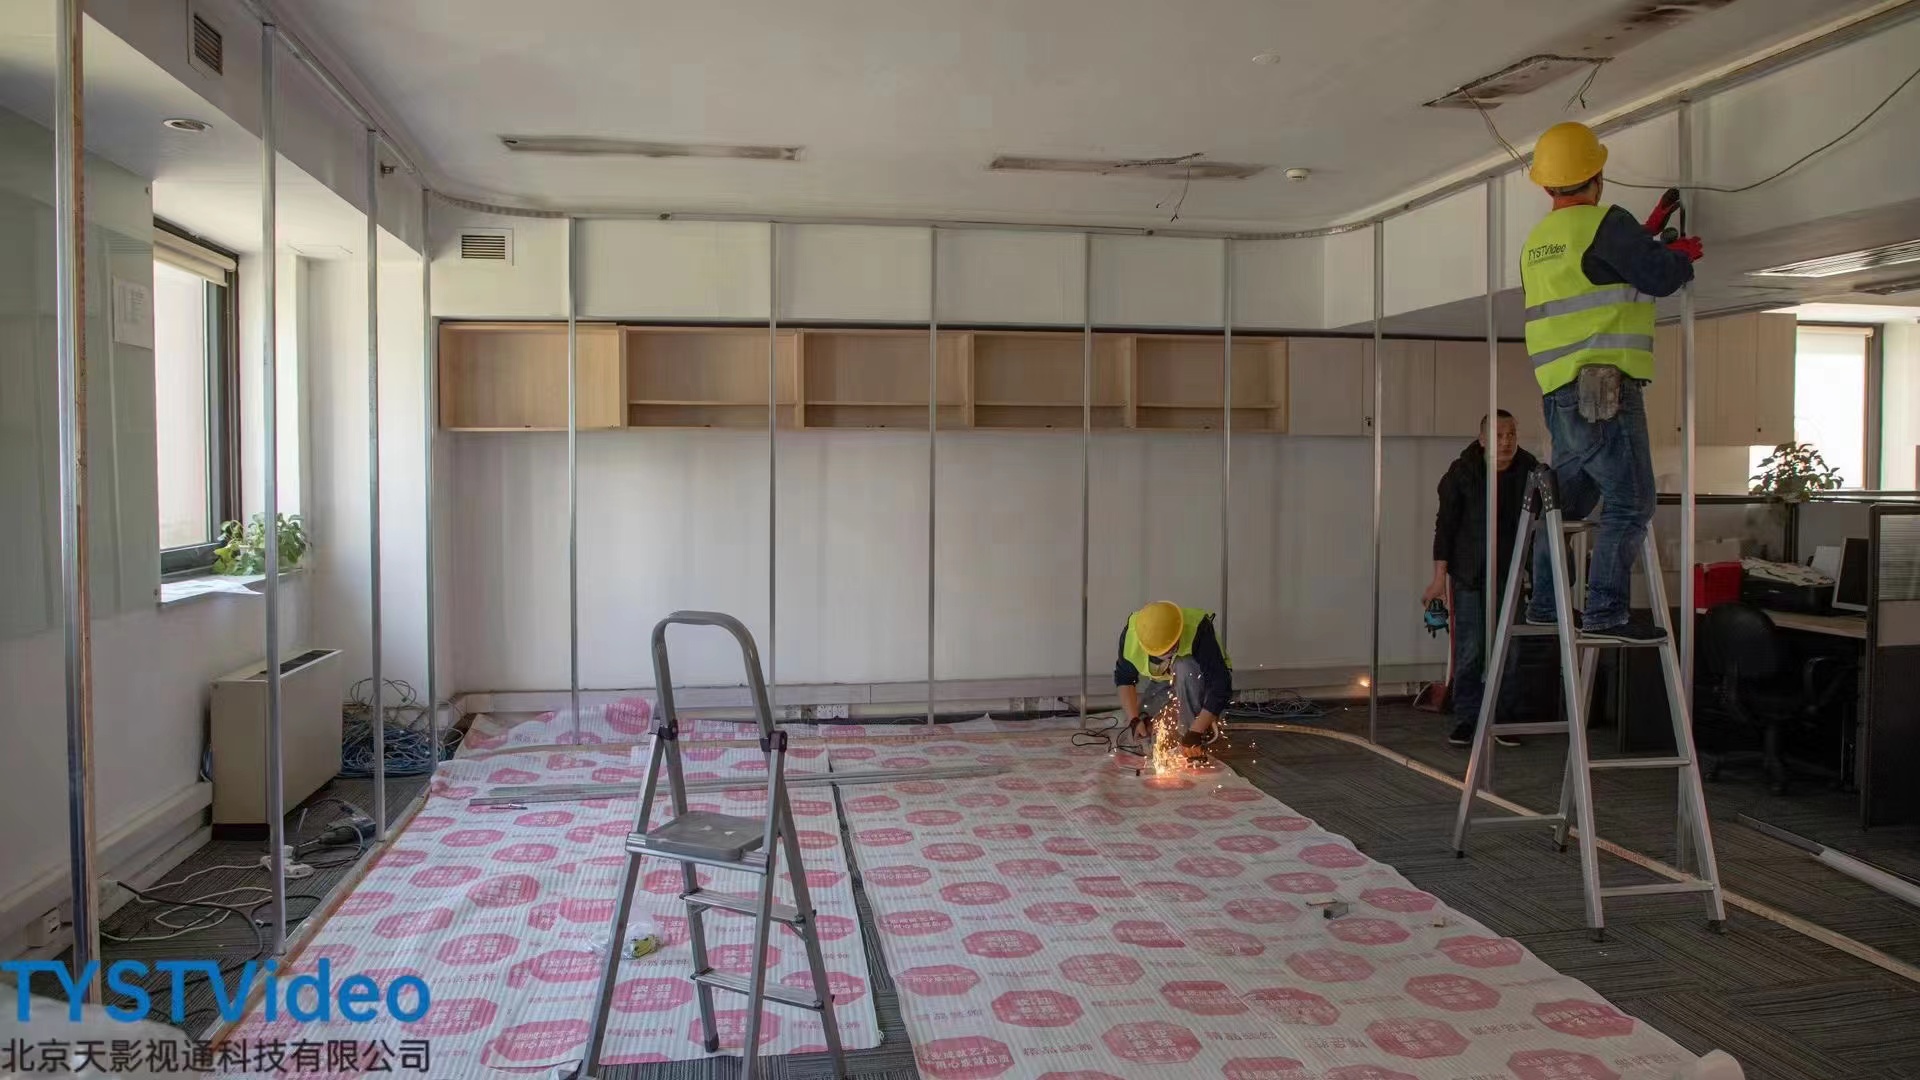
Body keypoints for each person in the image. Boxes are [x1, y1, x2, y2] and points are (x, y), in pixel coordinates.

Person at [1519, 122, 1701, 643]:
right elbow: (1658, 277)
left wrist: (1646, 235)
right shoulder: (1607, 224)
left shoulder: (1537, 243)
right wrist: (1679, 256)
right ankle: (1605, 613)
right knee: (1633, 502)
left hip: (1560, 396)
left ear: (1546, 184)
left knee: (1566, 507)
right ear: (1597, 175)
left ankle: (1546, 605)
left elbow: (1600, 268)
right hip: (1605, 393)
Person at [1424, 411, 1539, 748]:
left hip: (1511, 572)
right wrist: (1438, 578)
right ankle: (1468, 719)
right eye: (1498, 435)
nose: (1506, 442)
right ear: (1483, 439)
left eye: (1511, 434)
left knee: (1511, 649)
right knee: (1470, 649)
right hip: (1469, 572)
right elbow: (1445, 526)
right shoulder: (1462, 471)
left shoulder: (1530, 470)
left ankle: (1505, 718)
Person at [1114, 601, 1232, 762]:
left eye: (1171, 649)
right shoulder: (1132, 635)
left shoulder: (1197, 627)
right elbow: (1124, 680)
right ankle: (1177, 726)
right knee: (1143, 729)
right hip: (1164, 683)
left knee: (1184, 665)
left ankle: (1193, 735)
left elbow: (1220, 685)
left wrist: (1196, 731)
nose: (1167, 654)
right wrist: (1134, 720)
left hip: (1197, 681)